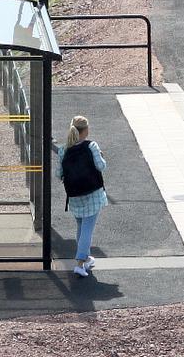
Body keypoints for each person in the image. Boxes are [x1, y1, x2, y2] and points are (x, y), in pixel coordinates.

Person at [57, 115, 107, 278]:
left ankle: (85, 258)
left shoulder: (63, 149)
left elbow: (58, 174)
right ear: (85, 130)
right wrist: (100, 154)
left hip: (74, 195)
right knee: (87, 229)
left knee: (81, 227)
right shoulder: (91, 145)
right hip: (92, 194)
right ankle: (79, 263)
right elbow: (101, 166)